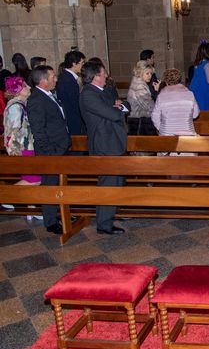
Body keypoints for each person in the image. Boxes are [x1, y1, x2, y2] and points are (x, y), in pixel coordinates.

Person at [79, 60, 129, 235]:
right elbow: (113, 114)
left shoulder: (103, 91)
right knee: (107, 184)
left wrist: (118, 107)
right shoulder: (88, 94)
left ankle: (111, 213)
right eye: (103, 73)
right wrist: (116, 109)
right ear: (95, 77)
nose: (107, 76)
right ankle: (104, 224)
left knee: (115, 182)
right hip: (104, 144)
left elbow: (123, 105)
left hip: (113, 142)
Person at [26, 65, 71, 234]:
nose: (56, 79)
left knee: (59, 185)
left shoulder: (48, 95)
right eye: (53, 77)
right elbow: (39, 131)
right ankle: (51, 221)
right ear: (43, 80)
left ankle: (61, 213)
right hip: (50, 152)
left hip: (59, 149)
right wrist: (50, 152)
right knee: (49, 185)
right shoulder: (36, 99)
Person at [3, 76, 41, 187]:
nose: (29, 87)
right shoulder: (16, 107)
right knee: (34, 180)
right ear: (17, 90)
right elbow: (13, 132)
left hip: (25, 147)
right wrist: (16, 152)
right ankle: (7, 197)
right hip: (23, 148)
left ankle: (30, 204)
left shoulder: (19, 105)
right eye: (24, 86)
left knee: (32, 179)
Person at [152, 68, 199, 135]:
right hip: (187, 133)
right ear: (179, 80)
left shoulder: (161, 96)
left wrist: (161, 128)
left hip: (167, 134)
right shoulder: (190, 94)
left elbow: (155, 116)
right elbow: (195, 114)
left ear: (166, 82)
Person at [56, 50, 85, 135]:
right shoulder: (67, 79)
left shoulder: (67, 77)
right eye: (82, 63)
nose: (83, 66)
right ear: (74, 63)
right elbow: (74, 102)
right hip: (72, 119)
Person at [127, 61, 157, 135]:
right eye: (147, 73)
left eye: (151, 73)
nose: (150, 76)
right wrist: (156, 92)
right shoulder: (140, 87)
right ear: (140, 73)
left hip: (137, 120)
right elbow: (150, 107)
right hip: (139, 123)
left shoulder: (138, 82)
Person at [189, 41, 209, 110]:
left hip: (197, 89)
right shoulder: (207, 64)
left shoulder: (197, 64)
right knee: (208, 113)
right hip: (205, 91)